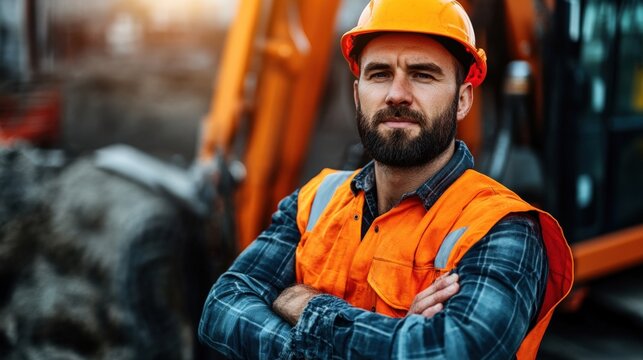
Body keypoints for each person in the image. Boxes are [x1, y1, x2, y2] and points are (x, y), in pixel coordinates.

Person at [198, 0, 574, 358]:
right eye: (379, 74)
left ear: (462, 100)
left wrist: (308, 306)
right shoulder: (315, 200)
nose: (397, 94)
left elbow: (451, 351)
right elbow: (221, 308)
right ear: (358, 95)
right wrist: (395, 336)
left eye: (422, 74)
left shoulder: (504, 228)